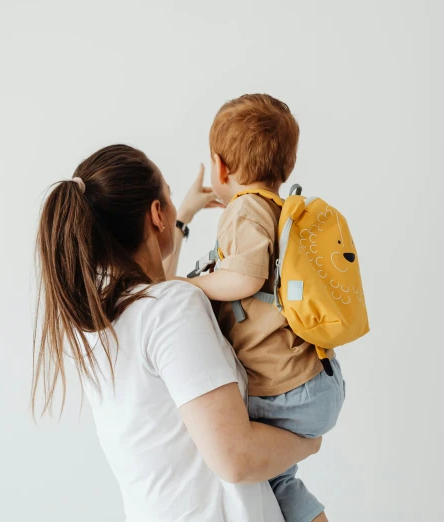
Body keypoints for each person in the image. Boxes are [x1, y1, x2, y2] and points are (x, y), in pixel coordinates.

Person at [33, 144, 324, 522]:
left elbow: (158, 288)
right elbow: (236, 459)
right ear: (156, 214)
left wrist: (183, 216)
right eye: (167, 200)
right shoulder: (170, 309)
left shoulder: (99, 322)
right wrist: (309, 441)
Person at [185, 94, 346, 522]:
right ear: (285, 167)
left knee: (219, 443)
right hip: (314, 380)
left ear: (220, 166)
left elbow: (248, 276)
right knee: (278, 484)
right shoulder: (275, 209)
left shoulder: (242, 210)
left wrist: (190, 285)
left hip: (284, 388)